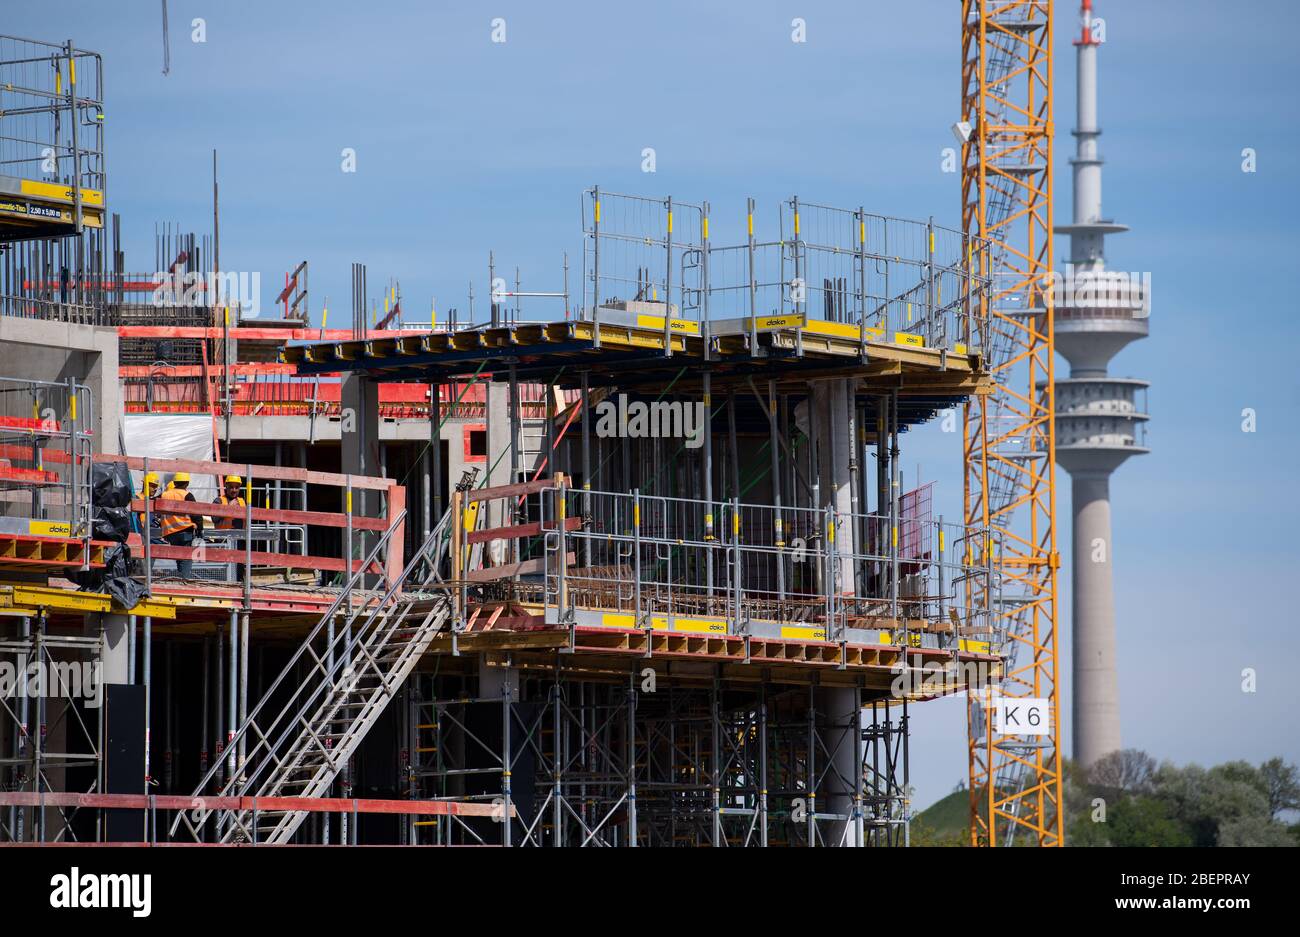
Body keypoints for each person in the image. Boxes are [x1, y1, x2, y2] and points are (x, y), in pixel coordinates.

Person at [159, 471, 201, 578]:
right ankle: (184, 579)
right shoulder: (187, 495)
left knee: (178, 556)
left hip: (170, 533)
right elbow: (196, 514)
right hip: (185, 531)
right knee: (186, 557)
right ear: (187, 483)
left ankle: (180, 578)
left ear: (174, 482)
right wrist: (200, 529)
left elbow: (153, 503)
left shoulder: (164, 494)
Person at [212, 475, 247, 582]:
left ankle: (239, 583)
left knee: (239, 565)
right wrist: (228, 508)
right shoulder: (219, 501)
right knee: (224, 567)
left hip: (239, 538)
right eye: (231, 487)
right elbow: (214, 518)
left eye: (236, 487)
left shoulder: (242, 501)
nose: (234, 490)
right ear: (226, 487)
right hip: (223, 540)